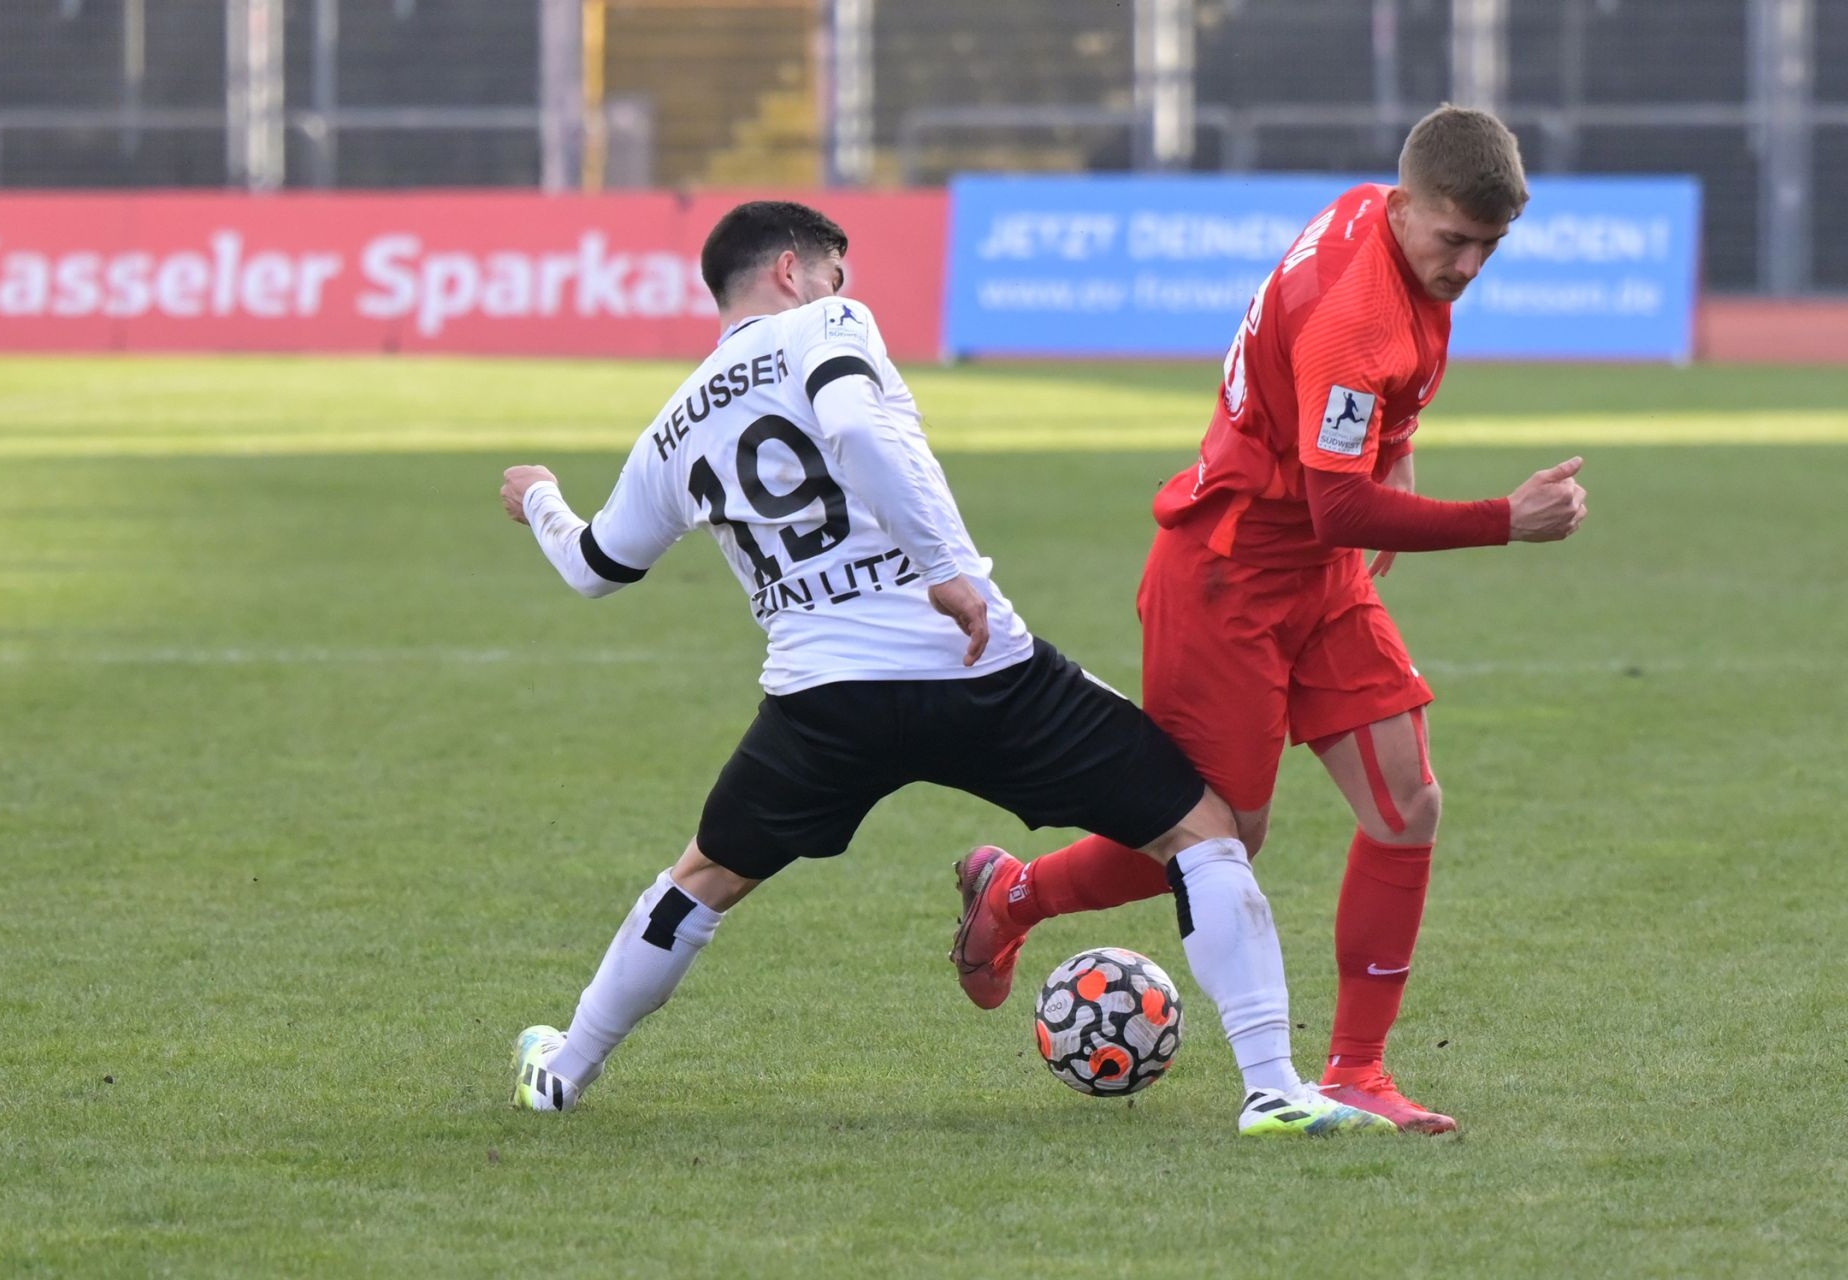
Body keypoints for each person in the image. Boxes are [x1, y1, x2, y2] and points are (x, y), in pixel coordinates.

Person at [497, 200, 1393, 1136]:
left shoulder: (674, 425)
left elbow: (596, 566)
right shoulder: (825, 324)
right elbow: (857, 428)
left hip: (822, 702)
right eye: (836, 271)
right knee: (1203, 831)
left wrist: (545, 499)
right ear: (793, 271)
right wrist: (944, 571)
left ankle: (563, 1069)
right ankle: (1273, 1089)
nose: (844, 288)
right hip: (975, 670)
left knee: (705, 877)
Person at [949, 107, 1589, 1134]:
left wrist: (1396, 447)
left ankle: (1357, 1070)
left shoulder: (1373, 219)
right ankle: (1013, 894)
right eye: (1455, 240)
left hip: (1317, 575)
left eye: (1490, 246)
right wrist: (1502, 520)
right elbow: (1340, 503)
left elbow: (1362, 413)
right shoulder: (1355, 314)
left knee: (1406, 804)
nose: (1469, 265)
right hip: (1227, 576)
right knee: (1219, 836)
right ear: (1406, 205)